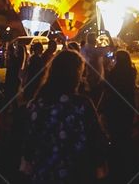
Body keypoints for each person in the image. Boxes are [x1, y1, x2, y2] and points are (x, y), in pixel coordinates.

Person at [21, 50, 108, 183]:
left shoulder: (35, 105)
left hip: (43, 173)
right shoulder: (81, 105)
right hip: (75, 173)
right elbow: (95, 138)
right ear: (76, 74)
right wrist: (100, 165)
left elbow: (29, 139)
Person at [102, 50, 138, 171]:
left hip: (114, 104)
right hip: (128, 103)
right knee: (126, 130)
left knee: (115, 132)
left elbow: (107, 87)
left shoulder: (113, 73)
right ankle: (128, 158)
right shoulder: (131, 72)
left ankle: (116, 158)